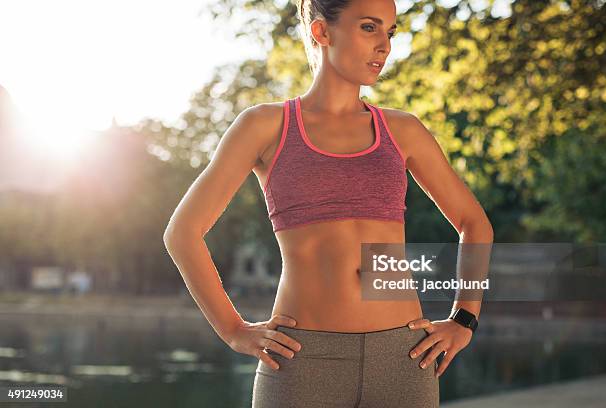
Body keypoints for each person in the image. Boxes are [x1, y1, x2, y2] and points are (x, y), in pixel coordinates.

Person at [163, 0, 494, 406]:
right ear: (322, 32)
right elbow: (182, 234)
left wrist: (464, 317)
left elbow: (474, 223)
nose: (385, 46)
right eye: (370, 28)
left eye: (390, 31)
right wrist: (233, 329)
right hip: (301, 360)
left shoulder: (403, 130)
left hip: (404, 359)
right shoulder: (265, 126)